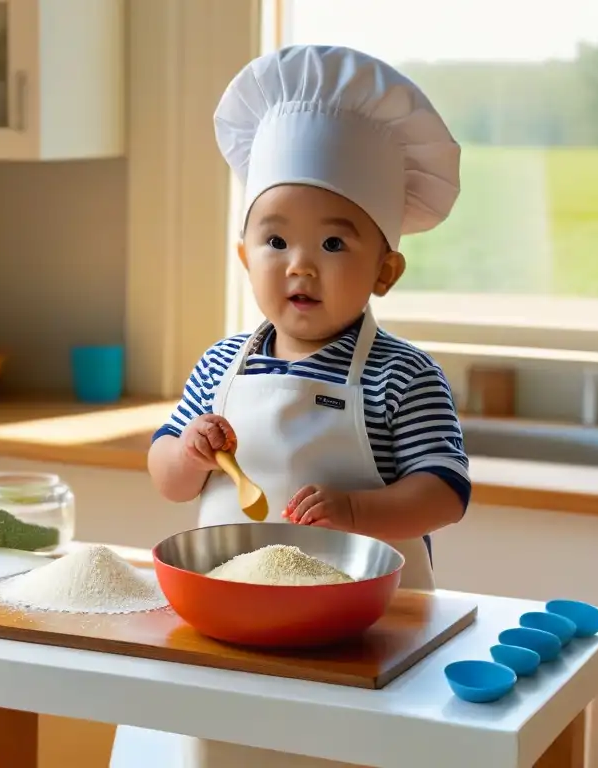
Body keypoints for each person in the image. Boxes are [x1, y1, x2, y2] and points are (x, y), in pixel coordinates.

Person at [112, 44, 469, 768]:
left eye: (334, 241)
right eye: (275, 239)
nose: (299, 264)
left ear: (385, 270)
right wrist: (188, 452)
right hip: (226, 626)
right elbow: (167, 477)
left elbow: (446, 494)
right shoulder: (220, 365)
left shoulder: (404, 376)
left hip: (368, 636)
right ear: (245, 255)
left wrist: (359, 514)